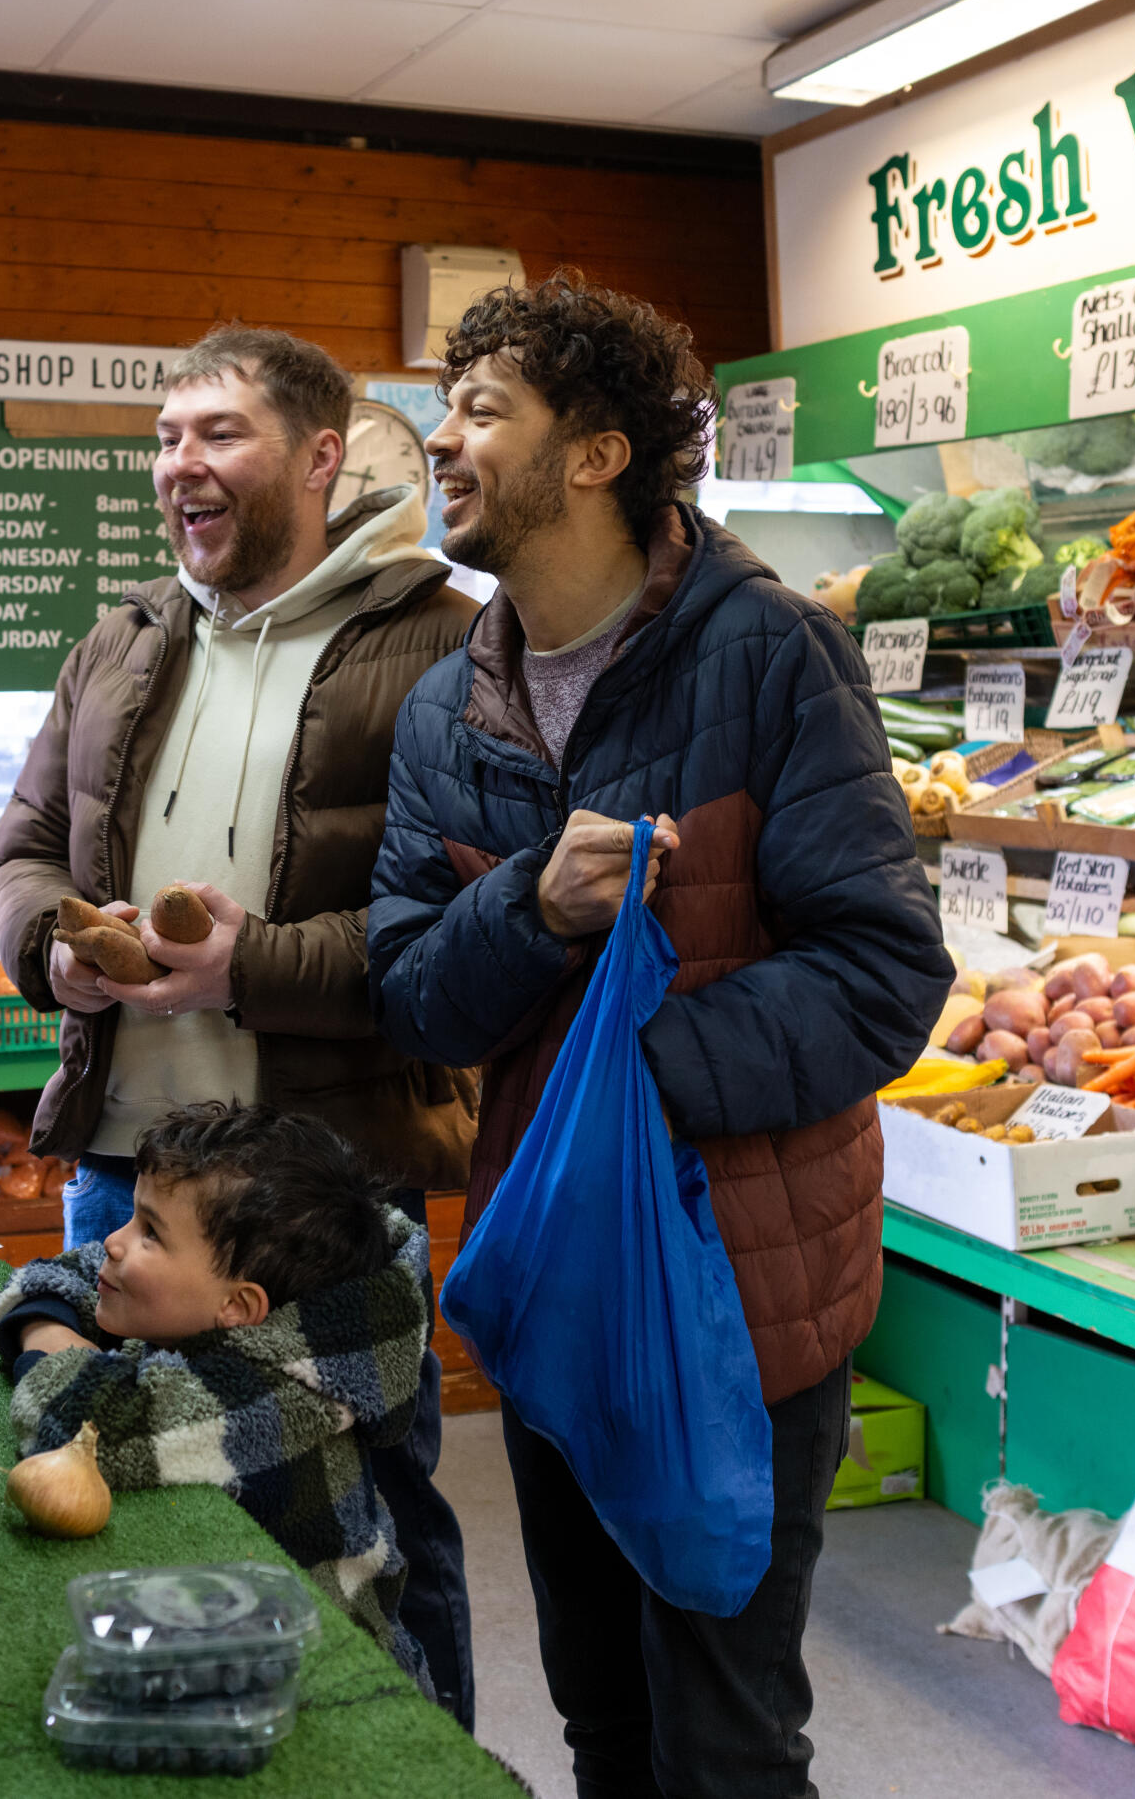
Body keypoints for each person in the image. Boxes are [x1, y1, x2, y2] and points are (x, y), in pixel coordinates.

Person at [368, 271, 953, 1799]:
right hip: (555, 1281)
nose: (443, 440)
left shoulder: (769, 655)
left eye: (482, 409)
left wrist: (633, 1081)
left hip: (738, 1293)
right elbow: (414, 996)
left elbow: (884, 972)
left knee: (725, 1734)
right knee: (604, 1720)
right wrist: (533, 914)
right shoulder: (446, 711)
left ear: (597, 453)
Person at [0, 323, 478, 1720]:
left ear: (323, 457)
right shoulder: (124, 640)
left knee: (373, 1516)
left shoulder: (443, 643)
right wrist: (50, 952)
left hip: (325, 1188)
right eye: (165, 437)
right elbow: (18, 852)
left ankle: (429, 1756)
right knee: (126, 1491)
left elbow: (463, 935)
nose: (178, 464)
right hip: (126, 1177)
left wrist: (247, 968)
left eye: (219, 434)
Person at [0, 1103, 433, 1682]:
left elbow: (90, 1424)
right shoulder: (236, 1312)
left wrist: (45, 1331)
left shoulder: (281, 1396)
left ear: (239, 1307)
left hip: (330, 1676)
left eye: (151, 1233)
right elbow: (72, 1269)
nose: (115, 1243)